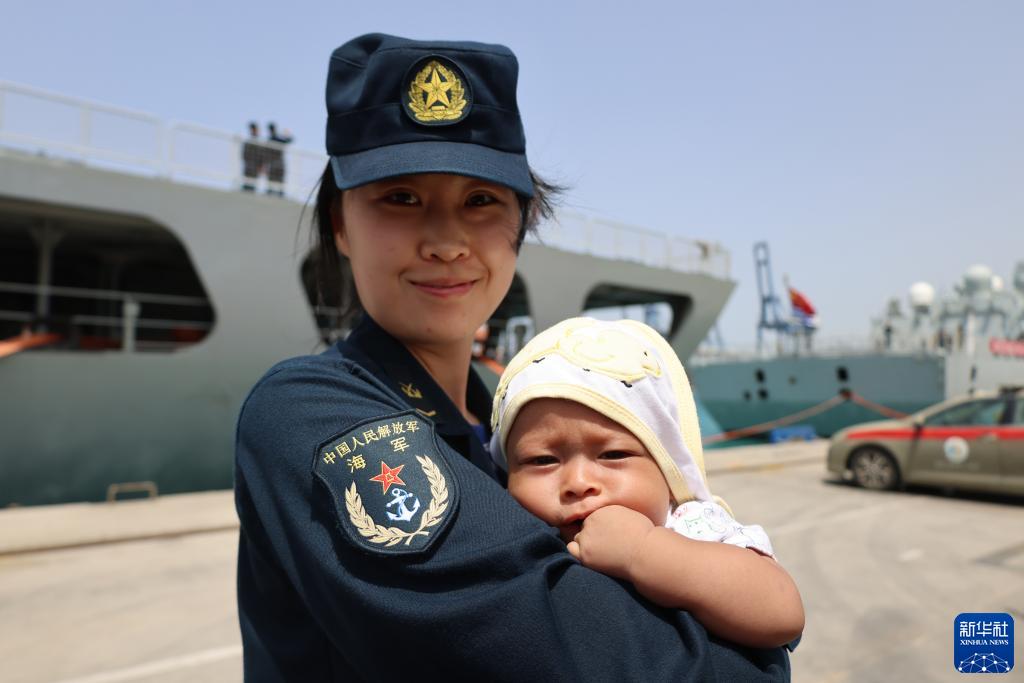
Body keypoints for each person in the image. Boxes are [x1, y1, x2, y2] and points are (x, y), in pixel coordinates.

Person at [234, 32, 792, 681]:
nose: (446, 242)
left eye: (481, 201)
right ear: (340, 224)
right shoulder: (309, 412)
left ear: (521, 226)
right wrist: (757, 656)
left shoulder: (501, 430)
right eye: (401, 197)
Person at [490, 317, 805, 649]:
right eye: (543, 460)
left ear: (668, 468)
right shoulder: (514, 542)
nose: (578, 483)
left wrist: (643, 551)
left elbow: (782, 612)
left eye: (612, 455)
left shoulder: (689, 526)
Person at [265, 122, 292, 196]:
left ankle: (273, 193)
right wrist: (286, 135)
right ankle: (279, 194)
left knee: (273, 182)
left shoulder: (270, 139)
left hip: (275, 163)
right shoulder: (278, 138)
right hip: (278, 163)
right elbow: (289, 140)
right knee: (278, 182)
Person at [240, 121, 264, 191]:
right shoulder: (249, 142)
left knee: (252, 186)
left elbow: (261, 156)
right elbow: (244, 155)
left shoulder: (257, 143)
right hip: (249, 167)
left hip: (253, 168)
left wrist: (261, 166)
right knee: (247, 185)